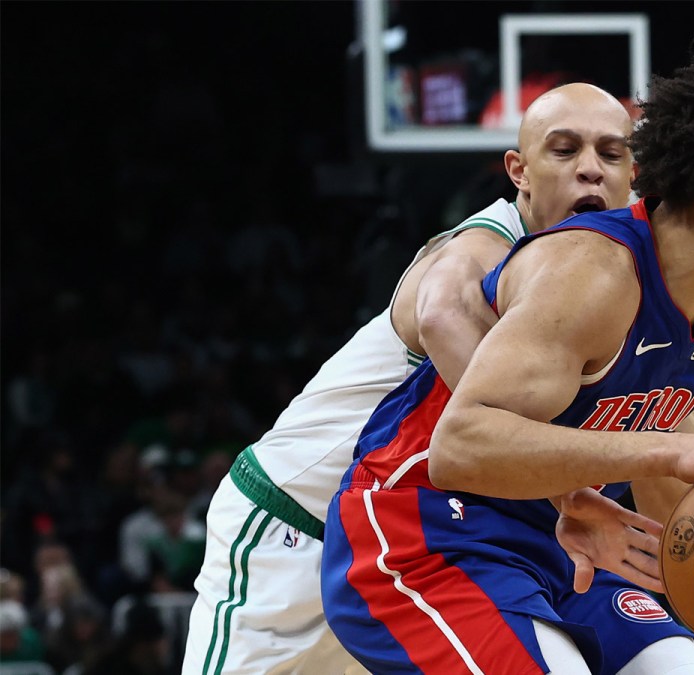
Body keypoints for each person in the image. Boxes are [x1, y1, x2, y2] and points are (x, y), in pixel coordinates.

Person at [322, 37, 694, 675]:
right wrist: (672, 451)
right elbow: (460, 446)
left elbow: (667, 498)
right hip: (430, 526)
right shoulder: (593, 272)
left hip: (569, 540)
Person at [182, 82, 643, 674]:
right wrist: (561, 481)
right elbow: (441, 314)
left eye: (610, 152)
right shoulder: (487, 242)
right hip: (297, 529)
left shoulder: (612, 280)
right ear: (519, 172)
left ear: (633, 174)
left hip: (409, 555)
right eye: (564, 149)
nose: (590, 169)